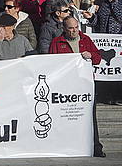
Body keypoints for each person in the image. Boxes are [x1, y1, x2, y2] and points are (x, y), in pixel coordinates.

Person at [48, 15, 105, 156]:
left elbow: (98, 58)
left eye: (76, 28)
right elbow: (51, 63)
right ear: (64, 28)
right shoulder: (56, 42)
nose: (74, 31)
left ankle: (96, 148)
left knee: (90, 118)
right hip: (65, 87)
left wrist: (91, 55)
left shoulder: (86, 39)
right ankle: (64, 147)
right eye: (70, 28)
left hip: (85, 85)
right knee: (64, 117)